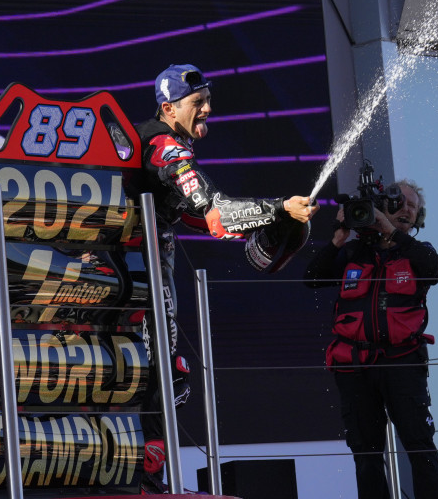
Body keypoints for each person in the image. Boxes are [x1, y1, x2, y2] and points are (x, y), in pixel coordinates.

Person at [133, 63, 318, 487]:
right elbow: (214, 214)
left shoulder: (165, 144)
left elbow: (210, 218)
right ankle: (140, 482)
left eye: (207, 101)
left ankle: (144, 480)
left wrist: (273, 221)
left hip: (137, 281)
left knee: (160, 378)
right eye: (198, 103)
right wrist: (279, 209)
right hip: (136, 285)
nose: (208, 109)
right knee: (160, 377)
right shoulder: (167, 147)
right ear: (168, 107)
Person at [304, 180, 438, 499]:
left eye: (414, 207)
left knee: (419, 444)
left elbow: (432, 270)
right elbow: (312, 279)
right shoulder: (354, 252)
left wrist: (391, 233)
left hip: (402, 363)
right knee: (366, 455)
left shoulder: (418, 253)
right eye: (401, 202)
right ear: (382, 205)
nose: (407, 209)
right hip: (355, 367)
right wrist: (338, 240)